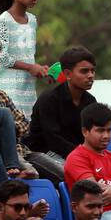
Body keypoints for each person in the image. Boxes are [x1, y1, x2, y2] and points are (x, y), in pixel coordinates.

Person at [26, 46, 97, 183]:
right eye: (84, 71)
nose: (90, 75)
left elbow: (90, 135)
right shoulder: (49, 99)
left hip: (76, 154)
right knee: (79, 178)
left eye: (92, 71)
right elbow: (53, 140)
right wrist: (83, 156)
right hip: (43, 153)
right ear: (68, 74)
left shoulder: (90, 101)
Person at [0, 33, 37, 178]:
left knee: (3, 113)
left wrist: (7, 127)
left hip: (15, 152)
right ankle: (2, 171)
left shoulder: (1, 95)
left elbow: (25, 126)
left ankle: (11, 168)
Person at [0, 0, 50, 116]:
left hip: (28, 89)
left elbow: (27, 55)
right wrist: (30, 67)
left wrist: (40, 70)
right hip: (7, 89)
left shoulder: (33, 20)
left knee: (27, 131)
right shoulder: (4, 21)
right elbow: (1, 57)